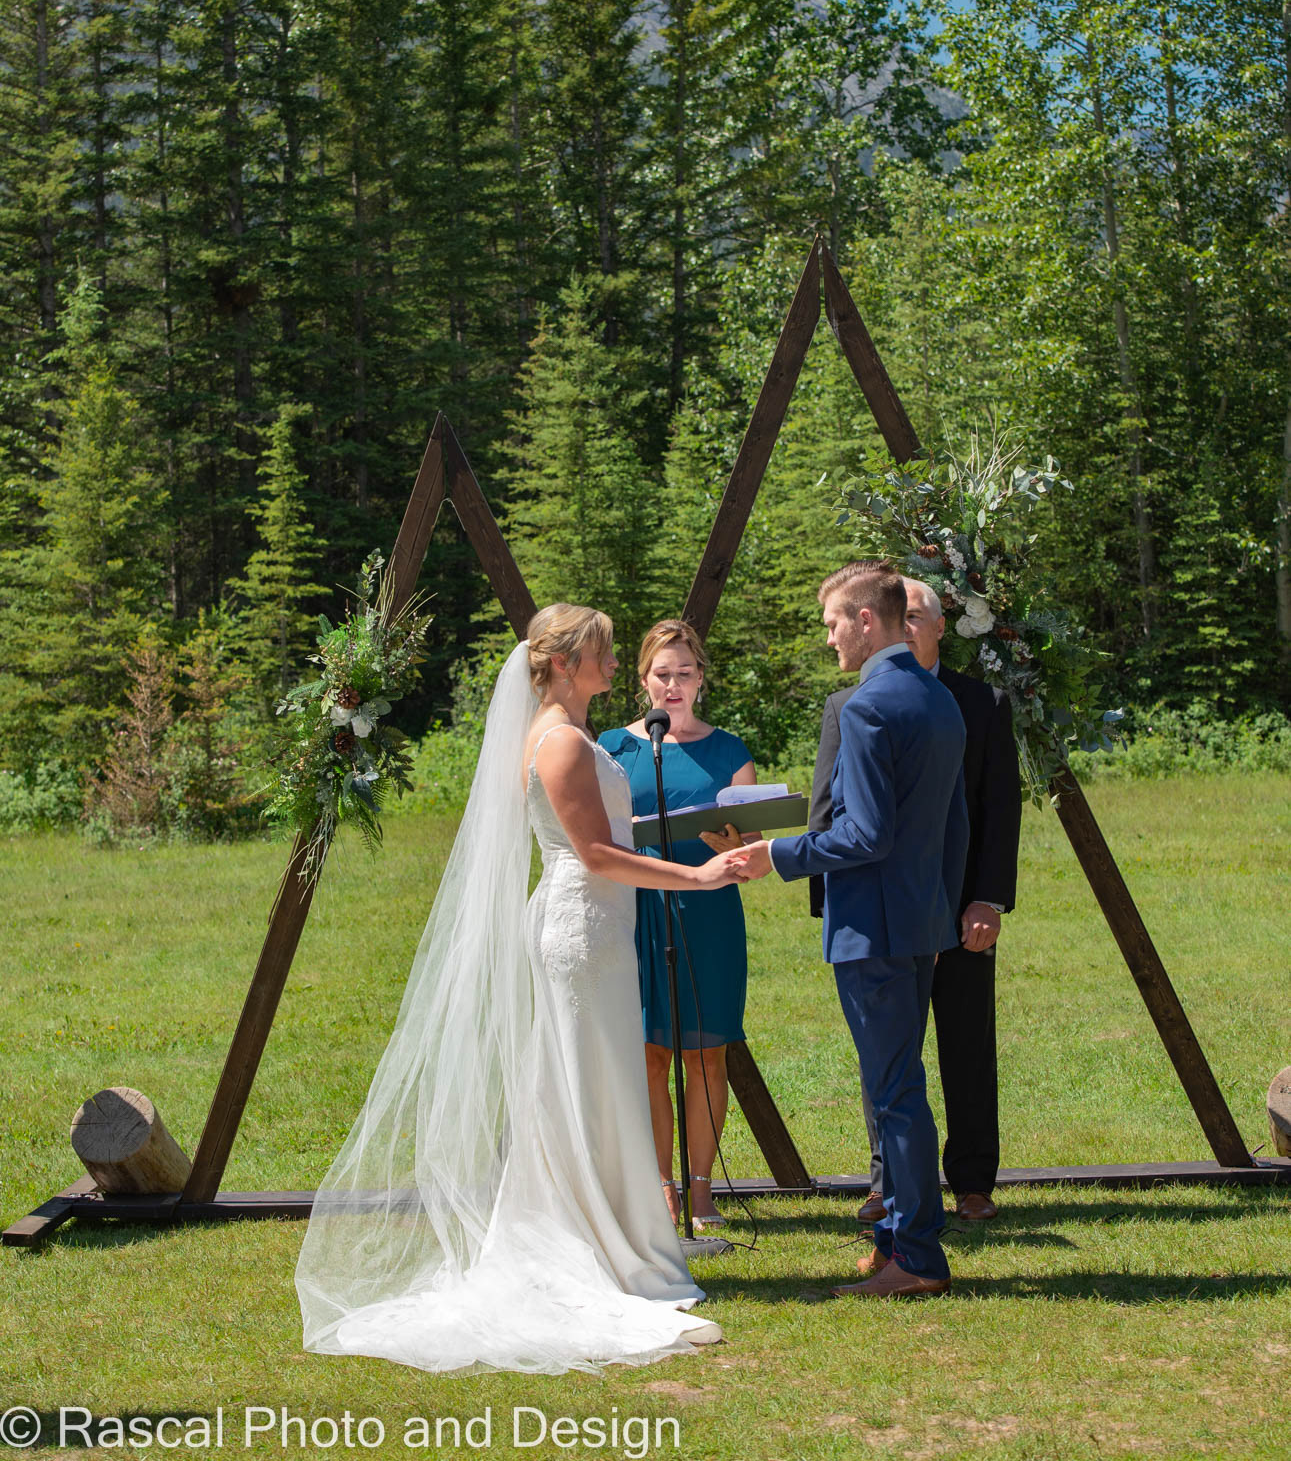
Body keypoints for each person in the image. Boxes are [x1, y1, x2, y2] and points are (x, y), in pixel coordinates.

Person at [295, 604, 748, 1375]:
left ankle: (608, 1229)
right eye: (604, 654)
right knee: (584, 1084)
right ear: (567, 663)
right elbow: (596, 853)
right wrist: (695, 875)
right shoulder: (562, 742)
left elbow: (609, 837)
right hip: (582, 929)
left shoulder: (563, 734)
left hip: (598, 930)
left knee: (590, 1086)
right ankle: (594, 1241)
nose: (614, 666)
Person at [731, 561, 968, 1299]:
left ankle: (917, 1259)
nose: (828, 636)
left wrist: (774, 854)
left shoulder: (869, 706)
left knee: (893, 1092)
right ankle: (898, 1239)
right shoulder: (936, 698)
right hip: (919, 918)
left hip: (873, 925)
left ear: (868, 619)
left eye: (833, 621)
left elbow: (862, 835)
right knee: (898, 1085)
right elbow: (952, 825)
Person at [600, 620, 758, 1229]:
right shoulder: (614, 747)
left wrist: (737, 849)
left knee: (706, 1056)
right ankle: (658, 1186)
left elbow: (756, 855)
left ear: (701, 679)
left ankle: (702, 1189)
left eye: (684, 674)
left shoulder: (731, 752)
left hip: (711, 915)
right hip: (635, 914)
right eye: (662, 674)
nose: (673, 685)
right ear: (643, 680)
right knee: (649, 1054)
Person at [899, 578, 1021, 1222]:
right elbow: (831, 811)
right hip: (890, 913)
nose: (908, 625)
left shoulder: (982, 702)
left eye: (916, 615)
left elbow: (1001, 809)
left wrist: (989, 901)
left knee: (968, 1047)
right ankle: (886, 1181)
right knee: (890, 1050)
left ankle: (973, 1181)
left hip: (962, 910)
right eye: (899, 616)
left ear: (943, 626)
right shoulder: (853, 702)